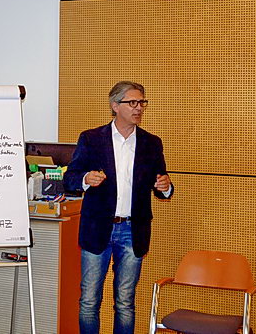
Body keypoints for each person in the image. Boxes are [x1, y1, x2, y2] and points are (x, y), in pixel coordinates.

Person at [63, 81, 173, 334]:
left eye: (142, 102)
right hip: (97, 228)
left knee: (125, 302)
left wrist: (165, 186)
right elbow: (70, 178)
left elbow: (162, 183)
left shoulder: (151, 143)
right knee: (89, 301)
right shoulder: (91, 139)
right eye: (132, 102)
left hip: (132, 231)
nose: (139, 108)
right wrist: (85, 179)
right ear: (115, 106)